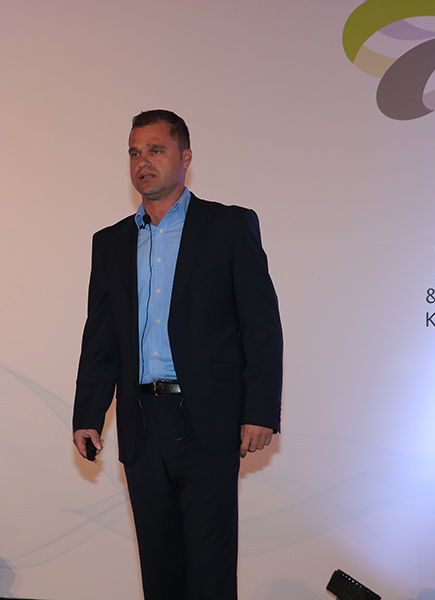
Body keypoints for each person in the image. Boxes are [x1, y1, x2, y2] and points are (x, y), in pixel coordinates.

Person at [72, 109, 283, 600]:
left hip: (208, 421)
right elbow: (100, 338)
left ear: (185, 158)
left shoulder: (230, 226)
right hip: (142, 425)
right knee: (159, 570)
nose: (142, 162)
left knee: (210, 572)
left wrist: (260, 410)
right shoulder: (110, 243)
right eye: (134, 153)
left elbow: (261, 326)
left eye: (156, 150)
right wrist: (88, 415)